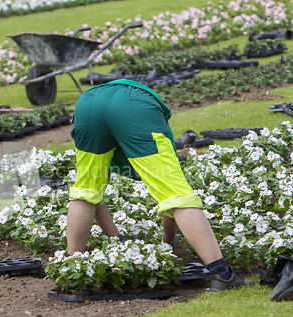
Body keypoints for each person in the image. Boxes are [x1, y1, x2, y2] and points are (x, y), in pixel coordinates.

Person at [67, 79, 253, 292]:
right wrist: (169, 240)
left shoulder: (107, 143)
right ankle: (222, 275)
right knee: (176, 192)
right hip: (134, 106)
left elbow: (94, 197)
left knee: (86, 188)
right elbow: (171, 201)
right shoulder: (148, 124)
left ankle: (73, 269)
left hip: (89, 103)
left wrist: (118, 240)